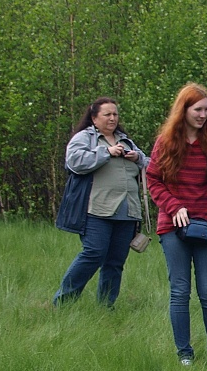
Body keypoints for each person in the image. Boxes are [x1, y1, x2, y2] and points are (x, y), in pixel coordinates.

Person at [146, 83, 207, 366]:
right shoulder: (165, 143)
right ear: (183, 110)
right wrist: (174, 208)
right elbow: (153, 181)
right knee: (179, 291)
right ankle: (184, 353)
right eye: (198, 109)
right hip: (173, 227)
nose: (203, 115)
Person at [53, 97, 149, 307]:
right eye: (107, 114)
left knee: (115, 262)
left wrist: (137, 158)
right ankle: (63, 302)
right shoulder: (85, 138)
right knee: (93, 253)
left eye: (115, 114)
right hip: (96, 210)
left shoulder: (125, 140)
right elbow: (74, 162)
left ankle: (106, 307)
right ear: (94, 118)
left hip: (127, 211)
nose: (112, 118)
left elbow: (152, 166)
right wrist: (106, 152)